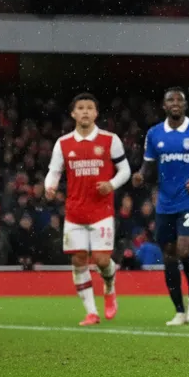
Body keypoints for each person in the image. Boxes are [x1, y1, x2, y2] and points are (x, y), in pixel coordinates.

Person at [132, 87, 189, 326]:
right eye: (171, 99)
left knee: (185, 249)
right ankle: (179, 311)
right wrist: (140, 176)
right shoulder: (154, 134)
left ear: (185, 105)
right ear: (164, 105)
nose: (176, 102)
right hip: (165, 203)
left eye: (180, 99)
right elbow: (148, 166)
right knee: (169, 256)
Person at [44, 93, 131, 325]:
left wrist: (110, 184)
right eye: (80, 108)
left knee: (102, 260)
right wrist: (49, 186)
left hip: (101, 211)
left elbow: (125, 170)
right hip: (75, 212)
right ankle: (91, 312)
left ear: (96, 113)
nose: (85, 111)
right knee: (79, 261)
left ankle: (110, 287)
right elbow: (54, 171)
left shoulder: (109, 140)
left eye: (89, 108)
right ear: (73, 113)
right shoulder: (63, 143)